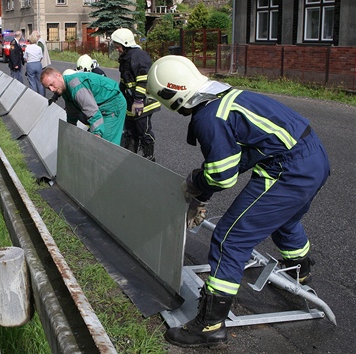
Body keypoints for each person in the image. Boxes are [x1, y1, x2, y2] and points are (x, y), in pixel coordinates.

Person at [146, 55, 331, 348]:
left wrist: (195, 184)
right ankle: (300, 269)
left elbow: (222, 175)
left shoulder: (209, 117)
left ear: (172, 95)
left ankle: (209, 325)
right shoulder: (226, 97)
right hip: (314, 157)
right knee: (285, 217)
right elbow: (242, 156)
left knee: (230, 238)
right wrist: (202, 193)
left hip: (289, 168)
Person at [40, 67, 126, 145]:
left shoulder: (76, 87)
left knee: (106, 143)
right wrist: (70, 128)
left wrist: (97, 134)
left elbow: (92, 111)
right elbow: (72, 111)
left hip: (113, 103)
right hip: (100, 105)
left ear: (58, 76)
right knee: (96, 142)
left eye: (52, 84)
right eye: (48, 88)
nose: (51, 89)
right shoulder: (65, 89)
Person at [111, 28, 161, 161]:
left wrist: (138, 100)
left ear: (125, 43)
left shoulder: (139, 56)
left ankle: (149, 157)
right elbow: (124, 81)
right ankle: (130, 157)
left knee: (143, 131)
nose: (117, 49)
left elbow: (143, 79)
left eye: (118, 46)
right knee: (130, 131)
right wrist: (118, 97)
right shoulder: (126, 58)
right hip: (131, 101)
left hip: (143, 102)